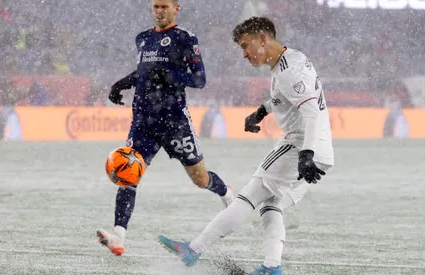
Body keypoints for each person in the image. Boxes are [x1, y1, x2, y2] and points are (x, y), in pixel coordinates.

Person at [158, 16, 335, 275]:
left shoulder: (288, 71)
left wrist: (306, 153)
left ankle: (193, 250)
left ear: (263, 39)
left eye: (245, 45)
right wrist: (261, 112)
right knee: (271, 205)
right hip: (322, 150)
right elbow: (283, 98)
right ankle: (271, 267)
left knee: (248, 196)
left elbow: (311, 113)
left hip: (302, 144)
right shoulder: (290, 60)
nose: (244, 54)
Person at [96, 0, 234, 256]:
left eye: (164, 6)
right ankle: (119, 235)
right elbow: (144, 73)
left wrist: (171, 76)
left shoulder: (185, 38)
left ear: (176, 8)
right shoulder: (143, 38)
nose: (159, 11)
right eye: (155, 6)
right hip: (143, 122)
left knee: (200, 179)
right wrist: (121, 84)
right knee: (128, 175)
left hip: (175, 123)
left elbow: (199, 79)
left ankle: (227, 195)